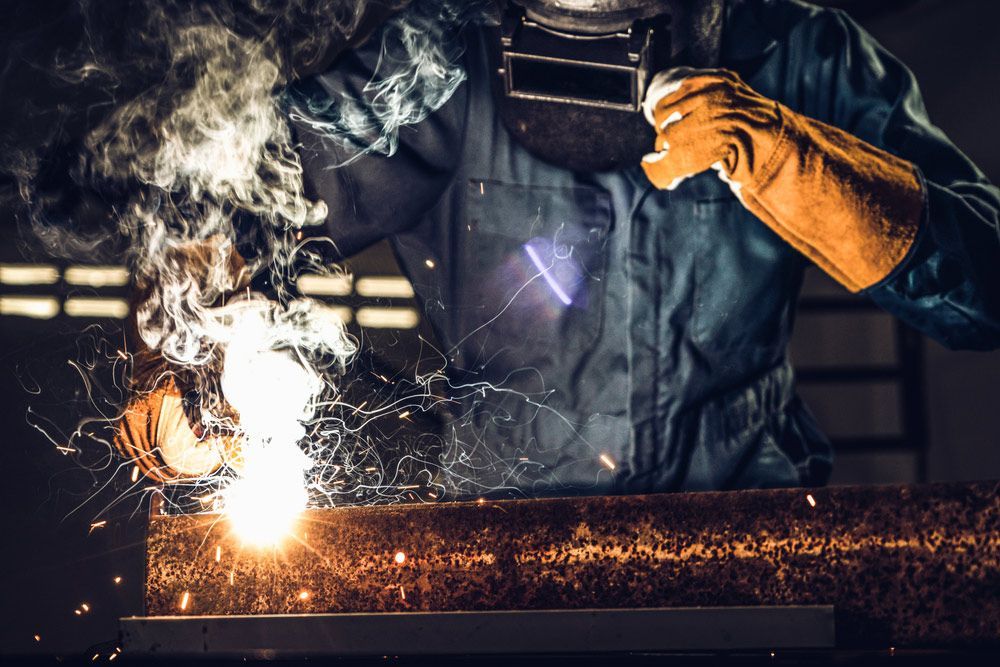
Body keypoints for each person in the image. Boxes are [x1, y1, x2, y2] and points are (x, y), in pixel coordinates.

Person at [116, 0, 1000, 498]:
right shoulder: (442, 57)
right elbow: (243, 193)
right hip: (498, 557)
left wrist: (794, 157)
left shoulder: (803, 54)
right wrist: (195, 366)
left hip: (748, 528)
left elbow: (985, 293)